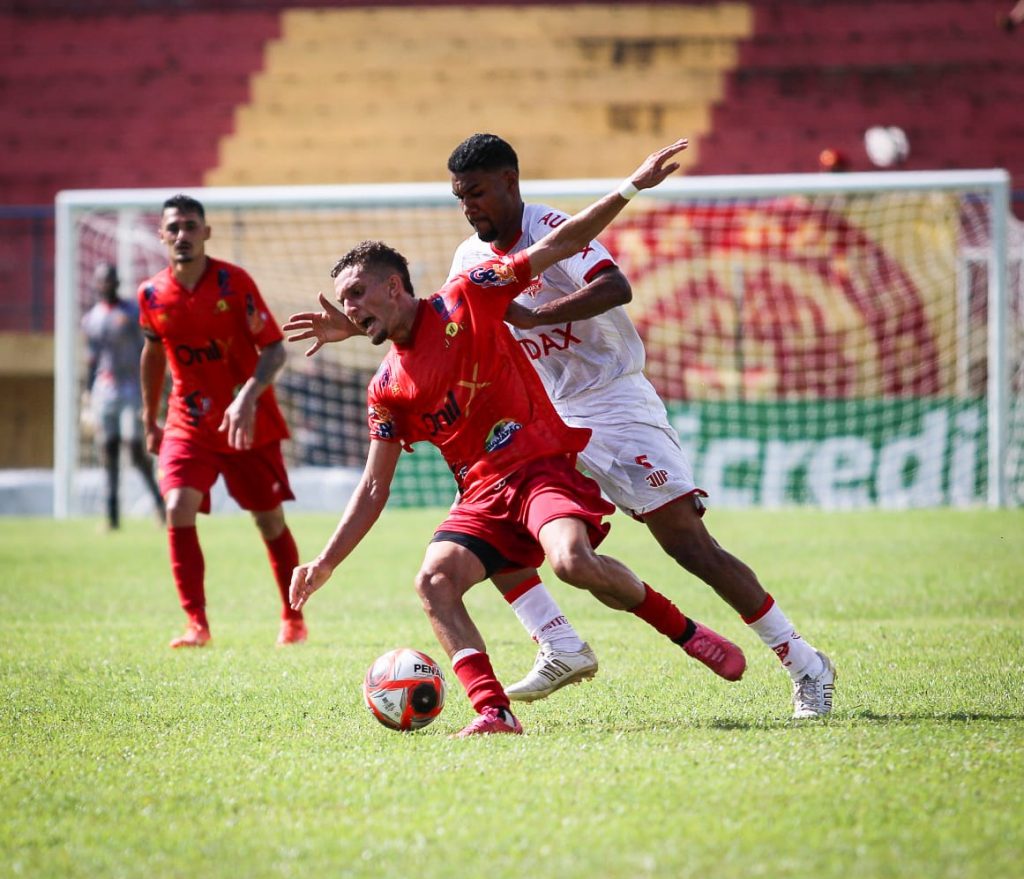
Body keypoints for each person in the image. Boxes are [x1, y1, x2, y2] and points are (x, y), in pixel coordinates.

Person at [288, 139, 747, 739]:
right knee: (433, 580)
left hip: (538, 468)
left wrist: (631, 187)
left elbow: (557, 243)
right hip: (480, 494)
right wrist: (324, 563)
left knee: (572, 562)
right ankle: (493, 713)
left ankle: (686, 632)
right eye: (344, 302)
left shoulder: (469, 295)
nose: (348, 310)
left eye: (357, 296)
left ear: (396, 287)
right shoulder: (385, 388)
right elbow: (374, 485)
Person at [443, 133, 834, 719]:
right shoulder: (468, 259)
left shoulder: (550, 227)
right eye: (459, 198)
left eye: (475, 193)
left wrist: (536, 316)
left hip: (615, 401)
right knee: (496, 519)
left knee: (688, 545)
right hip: (543, 415)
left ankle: (803, 661)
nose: (469, 208)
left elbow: (615, 286)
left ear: (508, 182)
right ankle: (558, 642)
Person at [139, 194, 307, 648]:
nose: (182, 235)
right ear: (162, 235)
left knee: (269, 520)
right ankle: (197, 624)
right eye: (173, 228)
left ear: (206, 233)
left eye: (191, 226)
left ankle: (293, 617)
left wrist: (248, 398)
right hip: (187, 422)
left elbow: (274, 349)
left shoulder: (235, 284)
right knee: (177, 507)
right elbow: (154, 352)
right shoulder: (151, 295)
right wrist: (150, 417)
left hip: (248, 422)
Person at [81, 261, 165, 531]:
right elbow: (92, 360)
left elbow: (149, 349)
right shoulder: (91, 318)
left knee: (134, 446)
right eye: (101, 280)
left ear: (117, 282)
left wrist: (153, 386)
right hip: (105, 390)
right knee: (108, 449)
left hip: (132, 386)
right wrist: (87, 393)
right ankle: (112, 516)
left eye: (110, 280)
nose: (105, 285)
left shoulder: (131, 312)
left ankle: (160, 505)